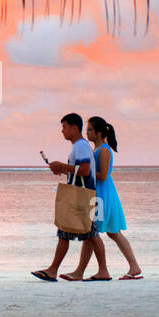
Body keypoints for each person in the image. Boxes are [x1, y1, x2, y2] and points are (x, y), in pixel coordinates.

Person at [32, 113, 111, 282]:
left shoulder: (80, 146)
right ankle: (55, 269)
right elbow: (80, 171)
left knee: (80, 232)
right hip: (84, 194)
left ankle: (54, 270)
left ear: (74, 128)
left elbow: (85, 170)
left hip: (81, 195)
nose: (62, 131)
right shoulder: (80, 146)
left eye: (64, 127)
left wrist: (63, 166)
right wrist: (64, 169)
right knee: (78, 233)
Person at [62, 116, 143, 280]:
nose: (87, 133)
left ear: (98, 132)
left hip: (102, 194)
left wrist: (81, 172)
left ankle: (82, 271)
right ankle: (133, 267)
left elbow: (103, 175)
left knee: (92, 233)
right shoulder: (96, 149)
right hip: (98, 193)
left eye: (90, 130)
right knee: (103, 232)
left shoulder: (103, 150)